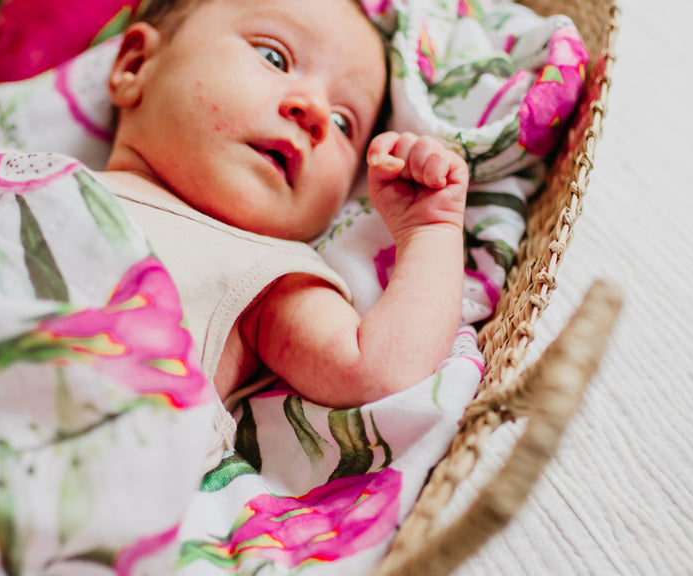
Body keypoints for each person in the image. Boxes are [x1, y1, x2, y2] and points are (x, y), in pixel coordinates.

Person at [97, 0, 470, 410]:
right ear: (137, 64)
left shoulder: (264, 273)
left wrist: (429, 229)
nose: (315, 114)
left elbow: (379, 371)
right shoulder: (27, 168)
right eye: (274, 57)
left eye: (344, 123)